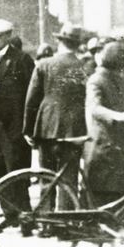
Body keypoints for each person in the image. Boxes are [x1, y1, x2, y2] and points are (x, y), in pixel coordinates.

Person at [85, 42, 124, 247]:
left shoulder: (120, 78)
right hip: (103, 148)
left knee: (122, 198)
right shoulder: (97, 80)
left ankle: (110, 245)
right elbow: (95, 108)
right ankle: (109, 246)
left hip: (119, 144)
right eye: (120, 66)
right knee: (110, 200)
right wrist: (118, 117)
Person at [23, 24, 88, 208]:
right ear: (77, 45)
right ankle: (66, 221)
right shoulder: (83, 66)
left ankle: (46, 221)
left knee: (46, 176)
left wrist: (28, 129)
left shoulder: (44, 65)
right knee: (69, 179)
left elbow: (31, 101)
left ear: (59, 42)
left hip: (46, 126)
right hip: (73, 129)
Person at [0, 19, 34, 220]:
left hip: (13, 128)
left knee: (16, 171)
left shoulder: (21, 60)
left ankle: (24, 215)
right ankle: (9, 213)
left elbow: (30, 95)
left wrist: (26, 127)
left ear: (8, 36)